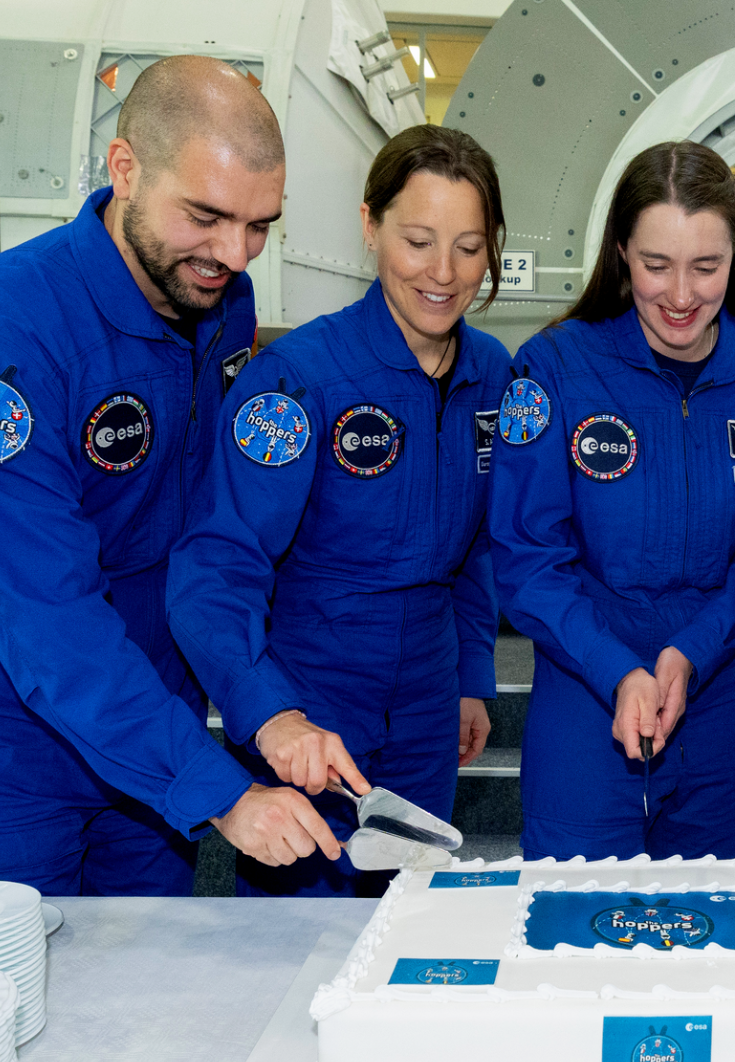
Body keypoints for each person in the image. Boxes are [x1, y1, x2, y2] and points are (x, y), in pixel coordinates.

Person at [0, 56, 345, 895]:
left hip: (154, 735)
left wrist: (266, 710)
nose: (232, 253)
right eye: (207, 216)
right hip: (7, 741)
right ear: (125, 168)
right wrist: (219, 792)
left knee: (146, 1018)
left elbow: (211, 545)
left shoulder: (219, 304)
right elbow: (47, 612)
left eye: (258, 226)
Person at [166, 125, 510, 897]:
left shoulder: (492, 374)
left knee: (410, 923)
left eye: (468, 246)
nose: (443, 273)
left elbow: (478, 544)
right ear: (369, 226)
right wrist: (271, 715)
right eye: (418, 240)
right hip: (313, 694)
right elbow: (214, 572)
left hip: (428, 692)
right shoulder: (297, 382)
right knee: (296, 945)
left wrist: (470, 676)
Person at [489, 141, 735, 859]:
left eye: (706, 266)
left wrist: (692, 651)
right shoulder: (556, 367)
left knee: (710, 926)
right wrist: (614, 667)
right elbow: (528, 557)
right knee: (574, 926)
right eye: (656, 265)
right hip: (585, 679)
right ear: (621, 253)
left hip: (718, 683)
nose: (682, 294)